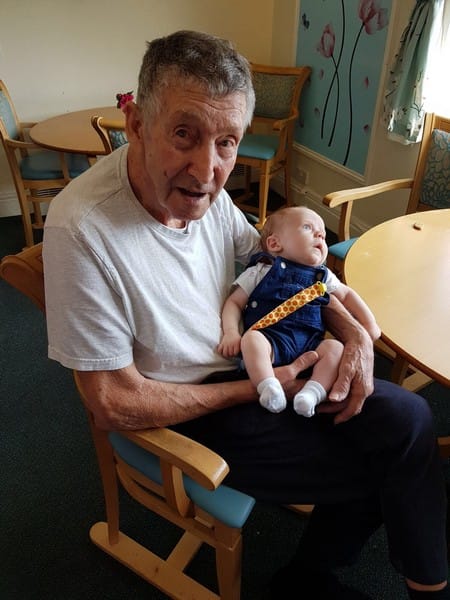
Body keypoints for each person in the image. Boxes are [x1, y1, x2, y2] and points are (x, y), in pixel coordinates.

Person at [42, 30, 448, 599]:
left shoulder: (205, 196)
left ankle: (320, 575)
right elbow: (112, 402)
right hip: (189, 409)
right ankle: (314, 580)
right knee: (391, 456)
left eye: (226, 142)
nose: (206, 169)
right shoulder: (81, 228)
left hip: (260, 364)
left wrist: (353, 332)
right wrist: (258, 386)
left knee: (410, 416)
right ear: (136, 124)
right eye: (183, 134)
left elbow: (280, 270)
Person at [218, 205, 381, 417]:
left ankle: (312, 393)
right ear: (275, 244)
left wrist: (369, 325)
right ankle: (268, 387)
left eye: (322, 233)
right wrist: (231, 332)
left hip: (310, 344)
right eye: (307, 227)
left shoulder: (323, 275)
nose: (320, 234)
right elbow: (234, 303)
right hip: (271, 342)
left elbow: (347, 295)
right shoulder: (261, 271)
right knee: (251, 339)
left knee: (334, 348)